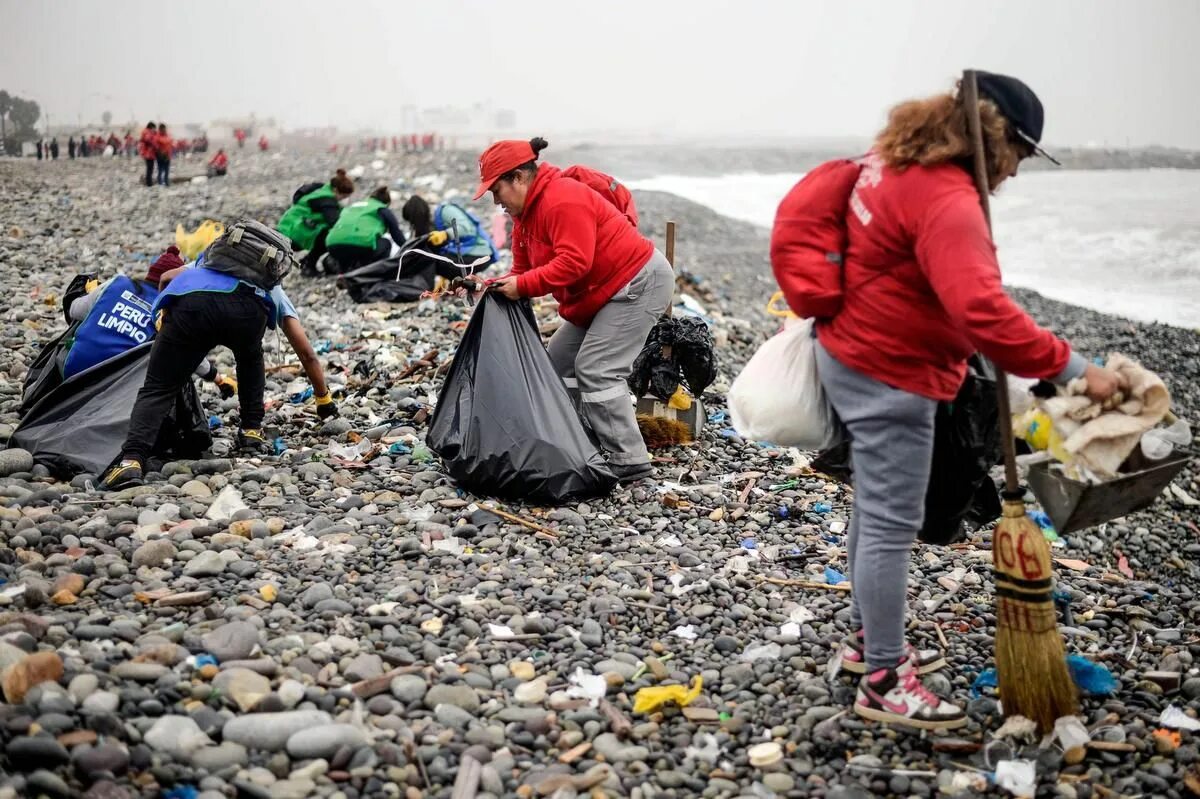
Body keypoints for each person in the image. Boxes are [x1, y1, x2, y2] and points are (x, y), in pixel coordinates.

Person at [772, 72, 1125, 730]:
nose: (1016, 173)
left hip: (848, 346)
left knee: (871, 509)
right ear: (997, 138)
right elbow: (983, 310)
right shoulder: (948, 198)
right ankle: (882, 678)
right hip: (891, 371)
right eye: (1020, 155)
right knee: (889, 524)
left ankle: (865, 648)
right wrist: (1073, 369)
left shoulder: (895, 164)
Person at [471, 137, 673, 484]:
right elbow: (521, 272)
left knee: (597, 368)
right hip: (600, 293)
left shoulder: (562, 199)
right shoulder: (526, 217)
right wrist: (490, 284)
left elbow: (574, 262)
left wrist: (522, 287)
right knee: (557, 364)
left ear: (519, 177)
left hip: (637, 284)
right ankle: (579, 442)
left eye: (496, 190)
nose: (496, 201)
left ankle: (630, 461)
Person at [98, 235, 339, 490]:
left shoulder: (203, 264)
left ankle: (132, 462)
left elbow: (167, 277)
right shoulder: (269, 285)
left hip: (192, 307)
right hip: (248, 313)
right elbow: (306, 352)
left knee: (159, 386)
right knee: (250, 359)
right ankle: (251, 432)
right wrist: (323, 399)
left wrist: (164, 316)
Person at [62, 246, 235, 397]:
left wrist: (96, 296)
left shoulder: (116, 284)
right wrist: (218, 379)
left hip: (71, 371)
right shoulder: (168, 310)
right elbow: (190, 355)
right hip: (112, 393)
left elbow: (74, 310)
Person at [277, 169, 355, 275]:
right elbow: (335, 223)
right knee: (330, 236)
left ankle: (307, 262)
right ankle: (309, 265)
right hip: (295, 233)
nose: (345, 200)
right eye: (344, 197)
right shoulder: (327, 201)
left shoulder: (321, 189)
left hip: (287, 225)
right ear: (336, 191)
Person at [400, 195, 498, 278]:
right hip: (465, 254)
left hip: (480, 253)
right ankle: (458, 283)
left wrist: (445, 234)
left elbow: (465, 228)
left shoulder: (446, 210)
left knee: (434, 261)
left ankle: (465, 281)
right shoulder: (433, 223)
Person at [325, 186, 409, 274]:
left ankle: (343, 274)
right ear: (386, 203)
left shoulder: (351, 207)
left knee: (347, 250)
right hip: (360, 246)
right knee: (386, 243)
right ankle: (374, 274)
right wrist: (410, 249)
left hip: (332, 245)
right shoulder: (381, 208)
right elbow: (397, 235)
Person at [138, 122, 158, 186]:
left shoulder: (146, 132)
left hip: (148, 153)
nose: (155, 129)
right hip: (148, 154)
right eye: (154, 128)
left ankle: (148, 181)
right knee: (150, 168)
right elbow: (149, 140)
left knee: (150, 168)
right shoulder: (148, 133)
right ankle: (149, 183)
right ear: (151, 127)